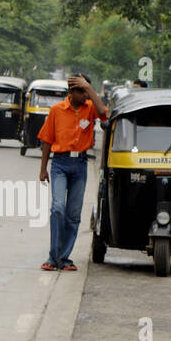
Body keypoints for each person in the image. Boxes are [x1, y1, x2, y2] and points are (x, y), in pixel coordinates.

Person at [37, 72, 107, 271]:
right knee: (58, 208)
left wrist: (89, 88)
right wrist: (43, 169)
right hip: (60, 164)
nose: (86, 96)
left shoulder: (90, 108)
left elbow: (103, 112)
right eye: (83, 92)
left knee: (73, 214)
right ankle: (53, 257)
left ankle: (64, 257)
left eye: (88, 91)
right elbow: (47, 141)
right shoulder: (57, 110)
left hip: (80, 165)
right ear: (71, 92)